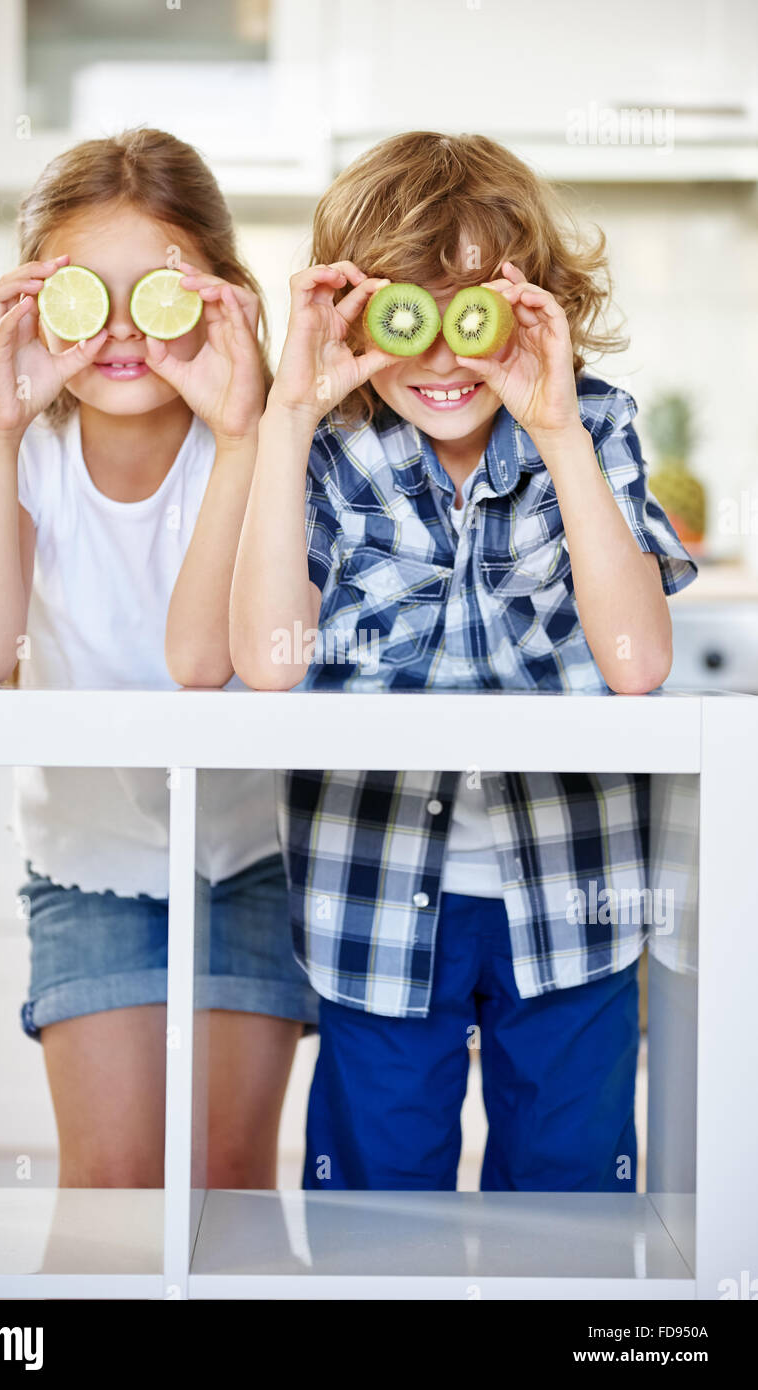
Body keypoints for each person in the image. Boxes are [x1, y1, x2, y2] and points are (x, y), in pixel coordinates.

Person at [231, 130, 697, 1191]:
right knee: (375, 1208)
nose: (443, 357)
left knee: (570, 1205)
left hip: (574, 897)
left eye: (472, 312)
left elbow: (634, 662)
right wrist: (289, 413)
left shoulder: (591, 427)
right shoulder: (328, 453)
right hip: (373, 891)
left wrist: (558, 432)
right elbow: (264, 661)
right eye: (409, 314)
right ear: (356, 316)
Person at [0, 128, 317, 1191]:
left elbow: (205, 663)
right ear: (28, 302)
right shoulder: (16, 452)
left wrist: (243, 438)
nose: (116, 329)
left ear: (222, 295)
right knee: (109, 1178)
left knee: (230, 1176)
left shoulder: (267, 448)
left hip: (250, 859)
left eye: (154, 290)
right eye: (78, 295)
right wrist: (2, 422)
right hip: (87, 860)